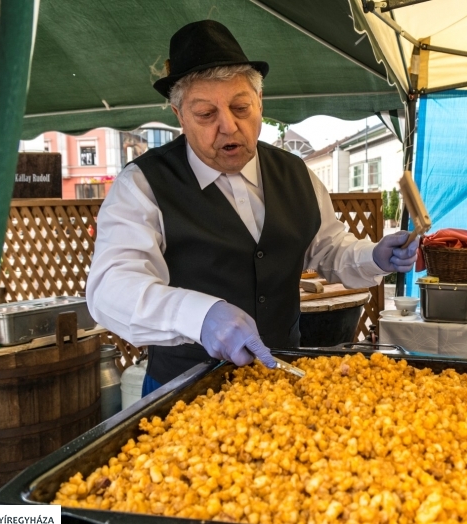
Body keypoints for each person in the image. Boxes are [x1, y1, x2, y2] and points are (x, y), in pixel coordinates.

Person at [86, 20, 418, 396]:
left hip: (279, 384)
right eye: (206, 114)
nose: (228, 126)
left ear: (260, 103)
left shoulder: (296, 174)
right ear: (180, 118)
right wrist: (199, 316)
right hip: (182, 394)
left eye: (241, 107)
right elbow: (110, 288)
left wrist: (375, 256)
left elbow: (328, 248)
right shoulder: (142, 184)